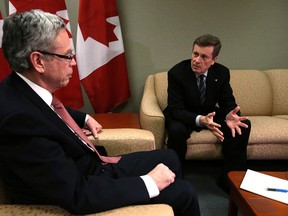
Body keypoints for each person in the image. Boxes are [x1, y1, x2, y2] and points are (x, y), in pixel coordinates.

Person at [0, 10, 200, 216]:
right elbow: (78, 194)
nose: (74, 63)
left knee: (170, 157)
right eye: (68, 56)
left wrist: (84, 118)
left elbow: (48, 108)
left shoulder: (18, 88)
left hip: (92, 167)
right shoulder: (18, 121)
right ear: (38, 61)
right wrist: (150, 182)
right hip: (85, 186)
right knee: (183, 193)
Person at [163, 34, 251, 192]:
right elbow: (175, 108)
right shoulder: (176, 73)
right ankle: (174, 179)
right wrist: (199, 119)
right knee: (176, 130)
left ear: (214, 60)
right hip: (183, 113)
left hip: (208, 112)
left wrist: (229, 115)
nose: (197, 60)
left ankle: (230, 179)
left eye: (204, 57)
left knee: (242, 126)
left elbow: (227, 100)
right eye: (195, 54)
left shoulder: (222, 72)